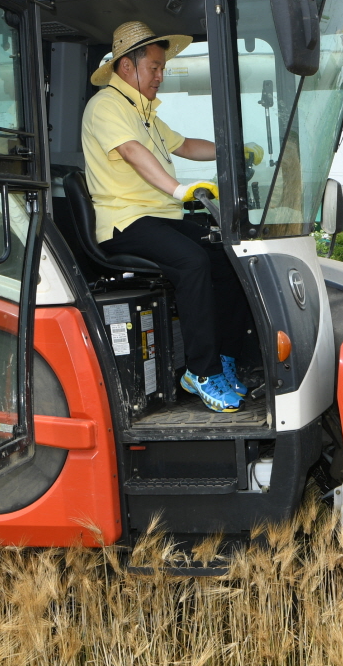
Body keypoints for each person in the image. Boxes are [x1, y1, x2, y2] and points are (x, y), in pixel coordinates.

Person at [80, 21, 261, 413]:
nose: (161, 75)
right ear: (127, 67)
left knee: (227, 257)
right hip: (124, 221)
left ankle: (225, 357)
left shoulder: (142, 111)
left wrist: (233, 150)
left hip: (158, 218)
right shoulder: (106, 107)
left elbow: (185, 145)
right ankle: (201, 371)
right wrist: (179, 190)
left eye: (162, 67)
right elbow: (131, 152)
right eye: (155, 67)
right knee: (192, 261)